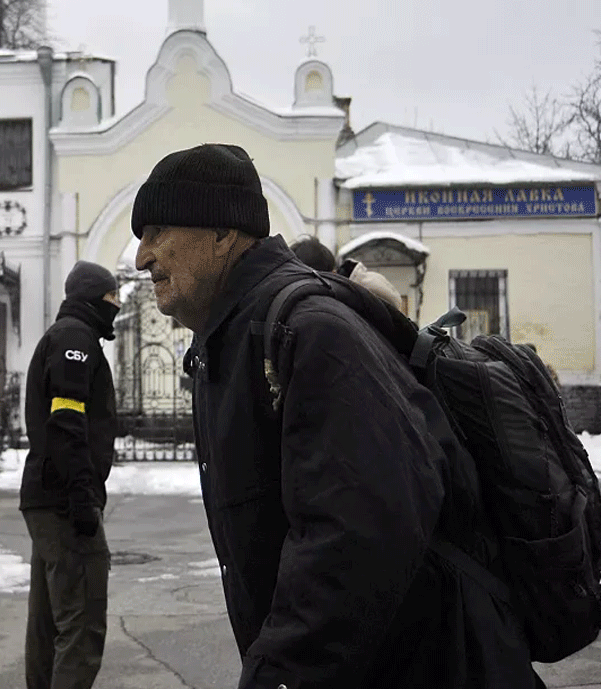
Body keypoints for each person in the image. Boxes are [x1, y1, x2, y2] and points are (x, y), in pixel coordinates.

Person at [129, 143, 538, 689]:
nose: (141, 256)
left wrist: (283, 674)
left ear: (223, 233)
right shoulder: (231, 340)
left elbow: (359, 535)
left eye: (156, 232)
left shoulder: (309, 330)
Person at [18, 261, 122, 689]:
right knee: (81, 627)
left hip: (48, 499)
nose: (117, 306)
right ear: (97, 298)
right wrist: (82, 497)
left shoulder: (67, 336)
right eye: (113, 298)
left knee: (48, 626)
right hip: (64, 503)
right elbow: (67, 422)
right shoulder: (75, 339)